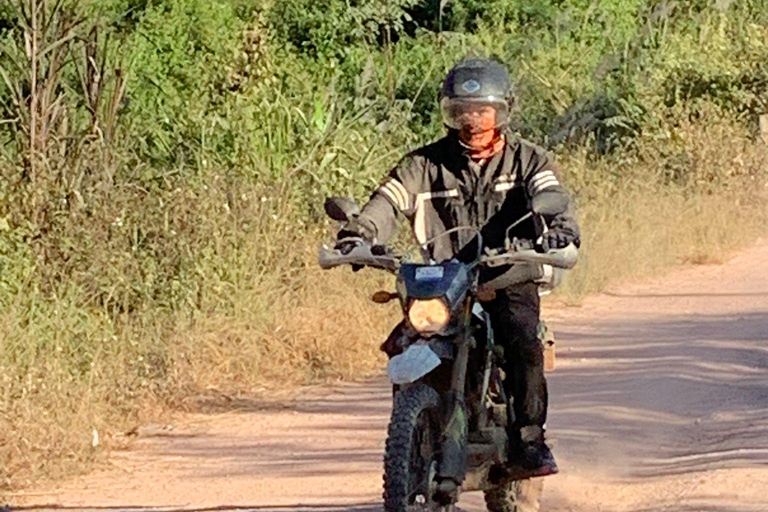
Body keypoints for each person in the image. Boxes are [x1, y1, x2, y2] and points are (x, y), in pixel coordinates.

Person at [336, 58, 580, 479]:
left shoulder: (530, 161)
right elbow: (388, 201)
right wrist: (358, 233)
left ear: (502, 111)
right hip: (442, 278)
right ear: (450, 113)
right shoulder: (423, 164)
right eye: (463, 111)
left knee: (522, 339)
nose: (474, 121)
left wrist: (559, 229)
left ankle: (530, 440)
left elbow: (553, 196)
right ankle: (415, 435)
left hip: (507, 272)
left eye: (483, 110)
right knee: (404, 341)